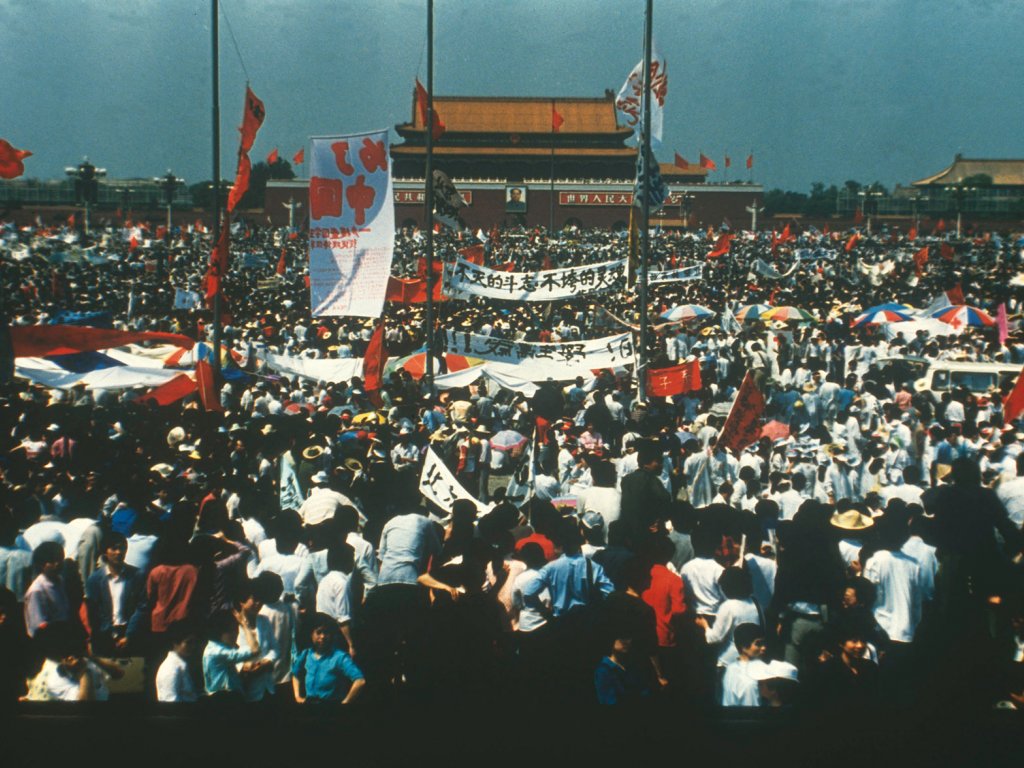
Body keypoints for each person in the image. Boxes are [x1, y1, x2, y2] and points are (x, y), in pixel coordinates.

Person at [84, 530, 148, 657]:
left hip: (130, 634)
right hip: (105, 637)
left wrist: (129, 635)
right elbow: (94, 612)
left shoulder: (137, 576)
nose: (119, 552)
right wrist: (111, 634)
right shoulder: (94, 580)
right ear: (105, 552)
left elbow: (142, 607)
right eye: (114, 549)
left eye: (122, 548)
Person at [291, 613, 366, 705]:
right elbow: (295, 674)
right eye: (318, 632)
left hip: (330, 708)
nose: (322, 636)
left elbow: (360, 681)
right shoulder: (306, 654)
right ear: (311, 634)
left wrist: (345, 703)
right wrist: (297, 697)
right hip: (309, 706)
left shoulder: (340, 657)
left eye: (326, 633)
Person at [201, 608, 260, 700]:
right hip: (225, 699)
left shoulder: (212, 647)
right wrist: (245, 624)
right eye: (230, 631)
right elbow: (254, 649)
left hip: (219, 697)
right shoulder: (218, 652)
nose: (235, 634)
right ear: (219, 632)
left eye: (235, 630)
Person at [720, 622, 769, 706]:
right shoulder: (750, 684)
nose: (764, 648)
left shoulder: (731, 668)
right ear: (744, 647)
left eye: (764, 643)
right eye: (758, 644)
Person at [155, 620, 201, 703]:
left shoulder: (181, 664)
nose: (193, 647)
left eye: (194, 642)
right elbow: (170, 702)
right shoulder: (170, 669)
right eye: (188, 643)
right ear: (175, 643)